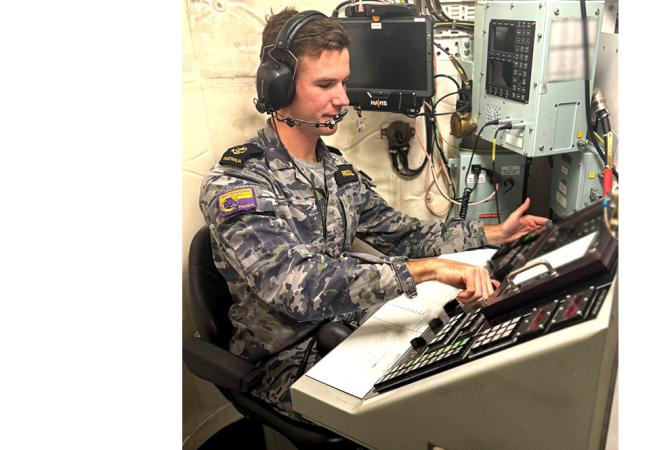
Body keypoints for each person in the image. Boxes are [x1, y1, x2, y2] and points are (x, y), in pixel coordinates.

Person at [198, 7, 549, 421]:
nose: (343, 98)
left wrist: (491, 235)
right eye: (325, 84)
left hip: (349, 330)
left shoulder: (336, 170)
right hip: (284, 363)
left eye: (344, 82)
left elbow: (402, 235)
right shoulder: (239, 185)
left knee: (457, 363)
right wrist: (428, 270)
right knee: (424, 409)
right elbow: (297, 286)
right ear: (277, 87)